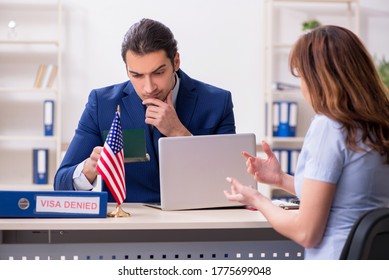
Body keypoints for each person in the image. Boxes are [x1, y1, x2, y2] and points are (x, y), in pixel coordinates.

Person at [225, 25, 389, 260]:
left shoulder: (330, 127)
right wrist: (280, 179)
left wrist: (257, 199)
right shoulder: (379, 125)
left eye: (301, 76)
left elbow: (305, 232)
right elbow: (348, 194)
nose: (302, 87)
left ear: (319, 79)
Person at [54, 18, 236, 203]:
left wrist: (179, 134)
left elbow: (233, 184)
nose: (148, 88)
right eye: (137, 75)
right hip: (128, 225)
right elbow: (61, 184)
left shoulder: (217, 102)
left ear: (176, 61)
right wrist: (91, 167)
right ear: (127, 69)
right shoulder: (102, 104)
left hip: (199, 222)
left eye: (158, 73)